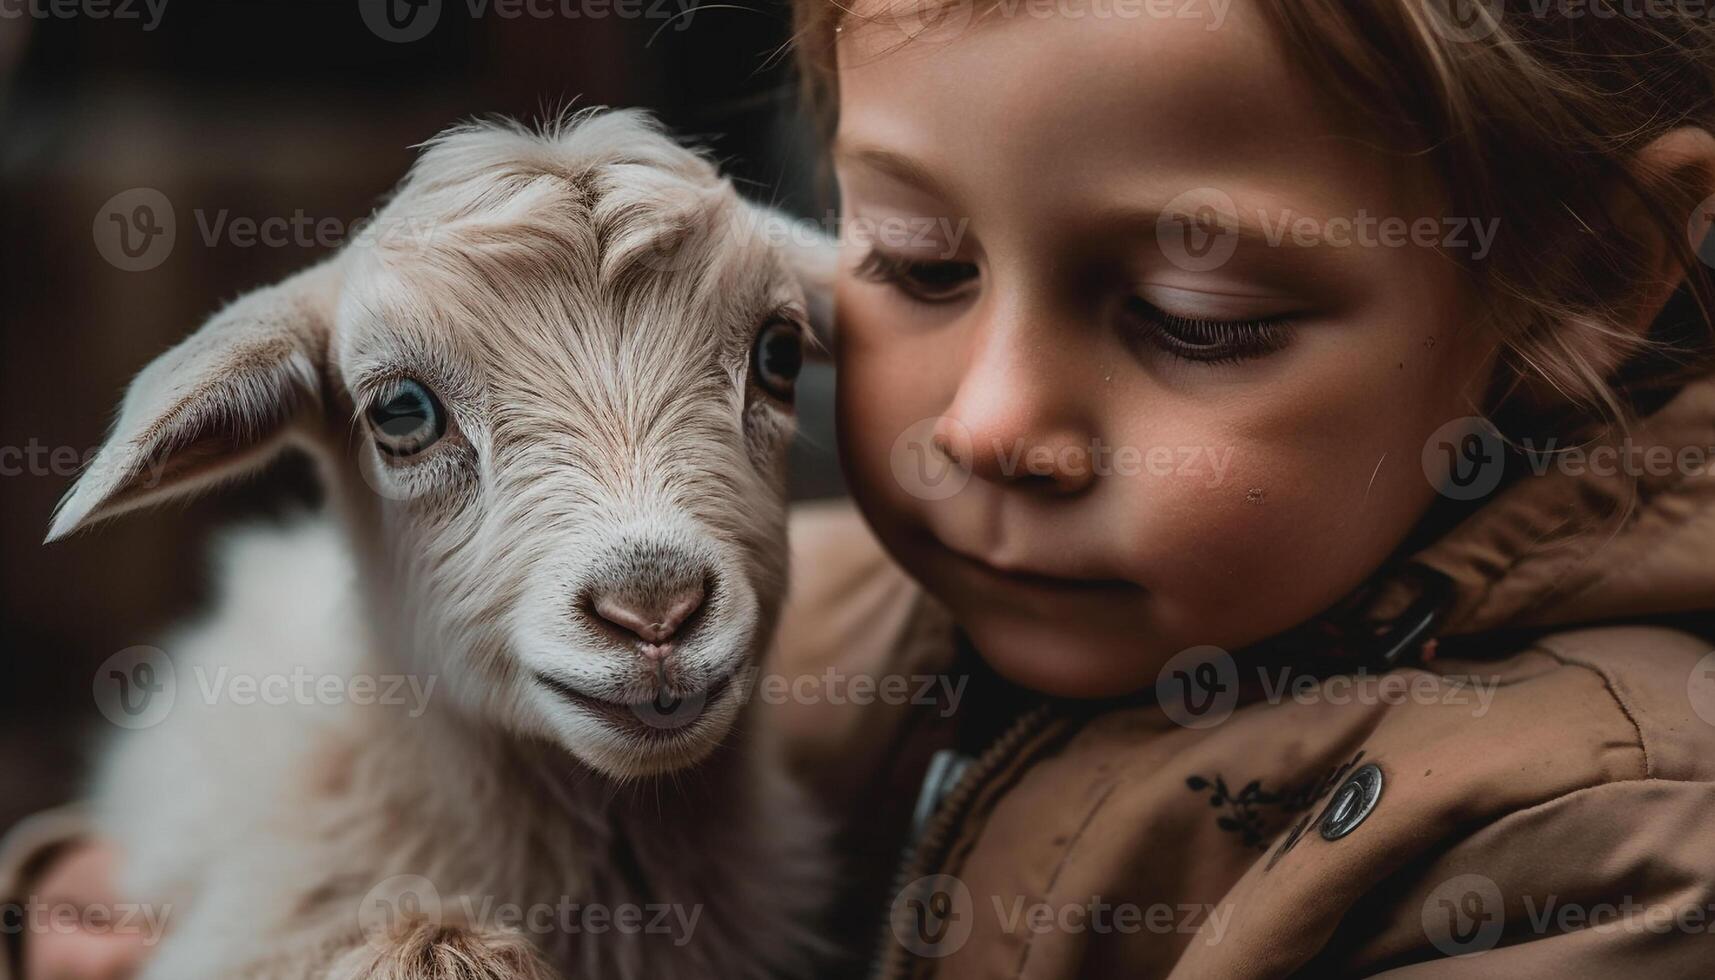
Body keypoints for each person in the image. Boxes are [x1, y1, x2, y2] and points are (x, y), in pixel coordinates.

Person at [9, 0, 1715, 975]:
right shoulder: (826, 615)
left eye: (1203, 321)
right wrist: (85, 901)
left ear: (1576, 267)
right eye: (913, 262)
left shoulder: (1596, 847)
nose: (986, 425)